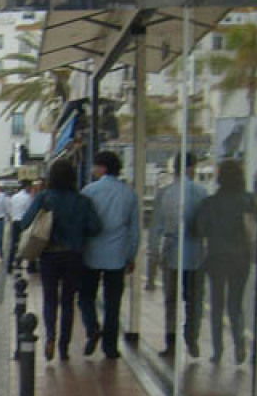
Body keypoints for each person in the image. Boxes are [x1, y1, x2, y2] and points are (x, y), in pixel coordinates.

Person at [18, 159, 101, 361]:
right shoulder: (83, 201)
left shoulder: (45, 197)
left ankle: (50, 338)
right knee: (68, 301)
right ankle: (64, 345)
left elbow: (25, 221)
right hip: (74, 255)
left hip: (50, 255)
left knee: (50, 298)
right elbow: (96, 227)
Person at [193, 159, 257, 364]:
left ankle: (218, 350)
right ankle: (239, 344)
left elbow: (200, 229)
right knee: (236, 304)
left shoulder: (210, 203)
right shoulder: (249, 200)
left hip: (217, 256)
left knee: (217, 304)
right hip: (241, 257)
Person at [79, 151, 140, 360]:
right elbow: (134, 230)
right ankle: (110, 347)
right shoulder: (129, 194)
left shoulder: (89, 191)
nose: (92, 169)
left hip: (91, 253)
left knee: (86, 296)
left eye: (95, 165)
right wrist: (131, 255)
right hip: (117, 255)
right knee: (113, 303)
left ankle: (92, 327)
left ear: (103, 168)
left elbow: (83, 224)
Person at [150, 152, 207, 359]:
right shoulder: (201, 192)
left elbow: (156, 228)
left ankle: (171, 342)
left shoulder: (164, 193)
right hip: (196, 254)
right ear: (192, 168)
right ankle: (191, 338)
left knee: (171, 300)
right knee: (194, 300)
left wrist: (153, 257)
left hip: (171, 253)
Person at [6, 180, 33, 274]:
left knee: (14, 244)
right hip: (24, 222)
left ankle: (9, 265)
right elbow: (30, 210)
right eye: (30, 187)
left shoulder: (14, 197)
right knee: (27, 244)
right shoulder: (28, 197)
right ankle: (29, 266)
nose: (31, 189)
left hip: (15, 221)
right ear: (26, 187)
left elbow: (9, 209)